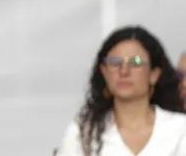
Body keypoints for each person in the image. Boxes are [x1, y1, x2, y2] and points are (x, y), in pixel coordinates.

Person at [55, 26, 186, 155]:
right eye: (115, 62)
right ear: (104, 71)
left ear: (154, 74)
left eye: (135, 62)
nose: (124, 71)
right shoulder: (82, 134)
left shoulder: (180, 129)